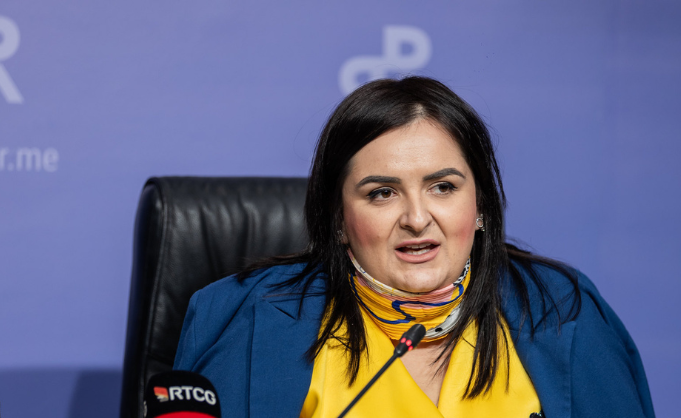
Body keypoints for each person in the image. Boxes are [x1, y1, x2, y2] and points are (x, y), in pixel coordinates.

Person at [174, 77, 655, 418]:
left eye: (443, 187)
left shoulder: (563, 310)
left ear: (480, 206)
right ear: (338, 221)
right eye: (382, 193)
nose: (417, 218)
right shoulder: (241, 316)